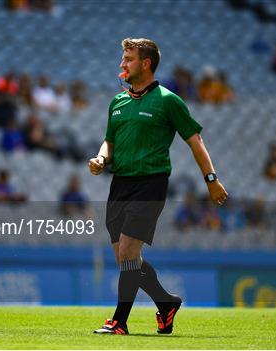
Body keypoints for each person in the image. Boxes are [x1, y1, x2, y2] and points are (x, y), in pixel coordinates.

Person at [89, 38, 228, 335]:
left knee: (127, 252)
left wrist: (211, 180)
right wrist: (102, 158)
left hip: (151, 183)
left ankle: (119, 322)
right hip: (120, 184)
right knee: (127, 259)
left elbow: (195, 140)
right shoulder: (118, 102)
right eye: (123, 58)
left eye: (128, 59)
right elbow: (109, 141)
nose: (122, 64)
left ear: (146, 63)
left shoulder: (168, 100)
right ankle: (166, 303)